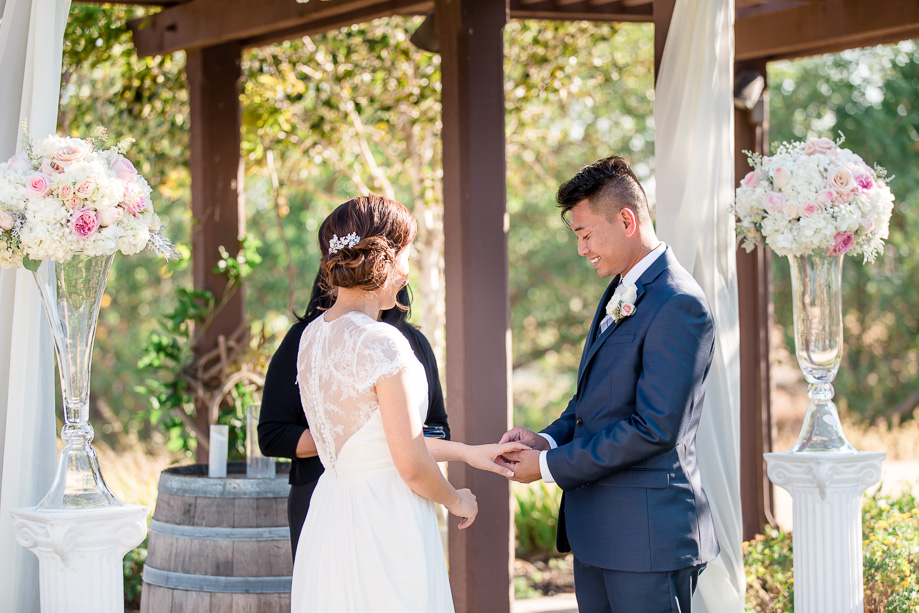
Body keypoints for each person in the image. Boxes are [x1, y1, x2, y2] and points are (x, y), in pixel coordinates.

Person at [498, 156, 720, 613]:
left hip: (647, 541)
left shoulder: (679, 303)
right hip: (598, 537)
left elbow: (655, 427)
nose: (581, 249)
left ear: (626, 219)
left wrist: (547, 466)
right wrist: (545, 439)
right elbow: (593, 400)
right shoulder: (620, 291)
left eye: (584, 234)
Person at [289, 194, 527, 612]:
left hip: (332, 515)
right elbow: (411, 466)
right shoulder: (379, 341)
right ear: (385, 258)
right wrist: (456, 499)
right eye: (407, 255)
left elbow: (379, 440)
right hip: (385, 520)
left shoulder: (311, 337)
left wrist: (471, 454)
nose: (408, 270)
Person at [258, 275, 450, 561]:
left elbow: (438, 428)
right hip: (321, 493)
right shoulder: (306, 338)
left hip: (403, 498)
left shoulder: (414, 343)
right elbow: (272, 435)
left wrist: (402, 439)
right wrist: (351, 436)